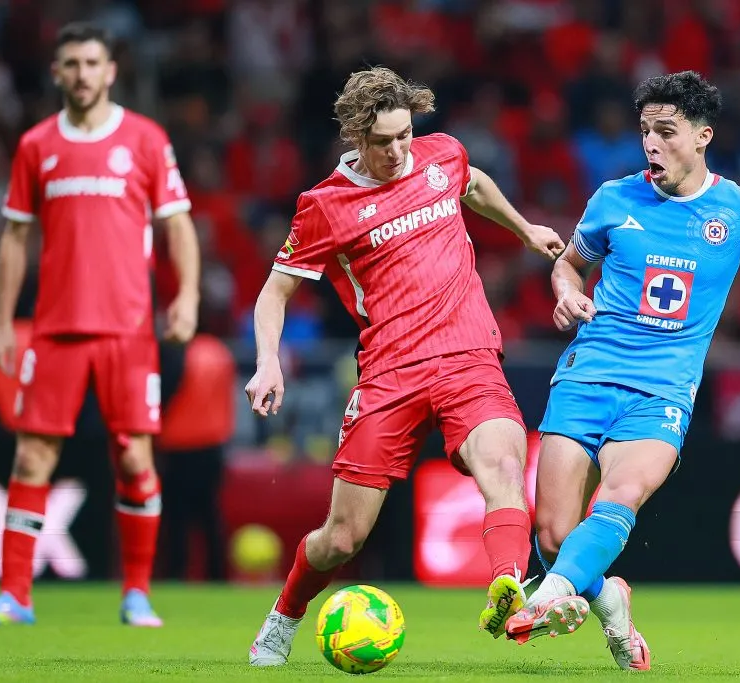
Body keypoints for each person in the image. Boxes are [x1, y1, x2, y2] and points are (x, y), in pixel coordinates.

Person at [504, 71, 740, 669]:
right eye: (645, 130)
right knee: (551, 536)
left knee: (621, 494)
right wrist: (566, 292)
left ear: (703, 136)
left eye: (666, 131)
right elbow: (569, 265)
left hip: (664, 389)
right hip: (587, 375)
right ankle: (607, 599)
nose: (651, 143)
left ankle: (548, 598)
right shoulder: (613, 200)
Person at [244, 66, 565, 666]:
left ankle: (508, 590)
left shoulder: (441, 155)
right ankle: (285, 615)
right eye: (383, 141)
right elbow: (274, 292)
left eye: (404, 136)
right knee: (343, 539)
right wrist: (268, 363)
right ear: (355, 138)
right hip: (390, 373)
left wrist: (523, 230)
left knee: (503, 463)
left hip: (469, 355)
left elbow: (472, 183)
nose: (397, 152)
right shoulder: (325, 205)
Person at [0, 23, 200, 628]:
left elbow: (177, 225)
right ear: (57, 73)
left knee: (134, 458)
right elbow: (15, 237)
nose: (83, 74)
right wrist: (5, 323)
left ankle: (137, 594)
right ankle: (15, 596)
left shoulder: (145, 140)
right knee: (32, 456)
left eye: (93, 62)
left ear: (111, 70)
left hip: (128, 329)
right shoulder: (37, 145)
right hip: (56, 327)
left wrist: (188, 295)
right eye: (72, 64)